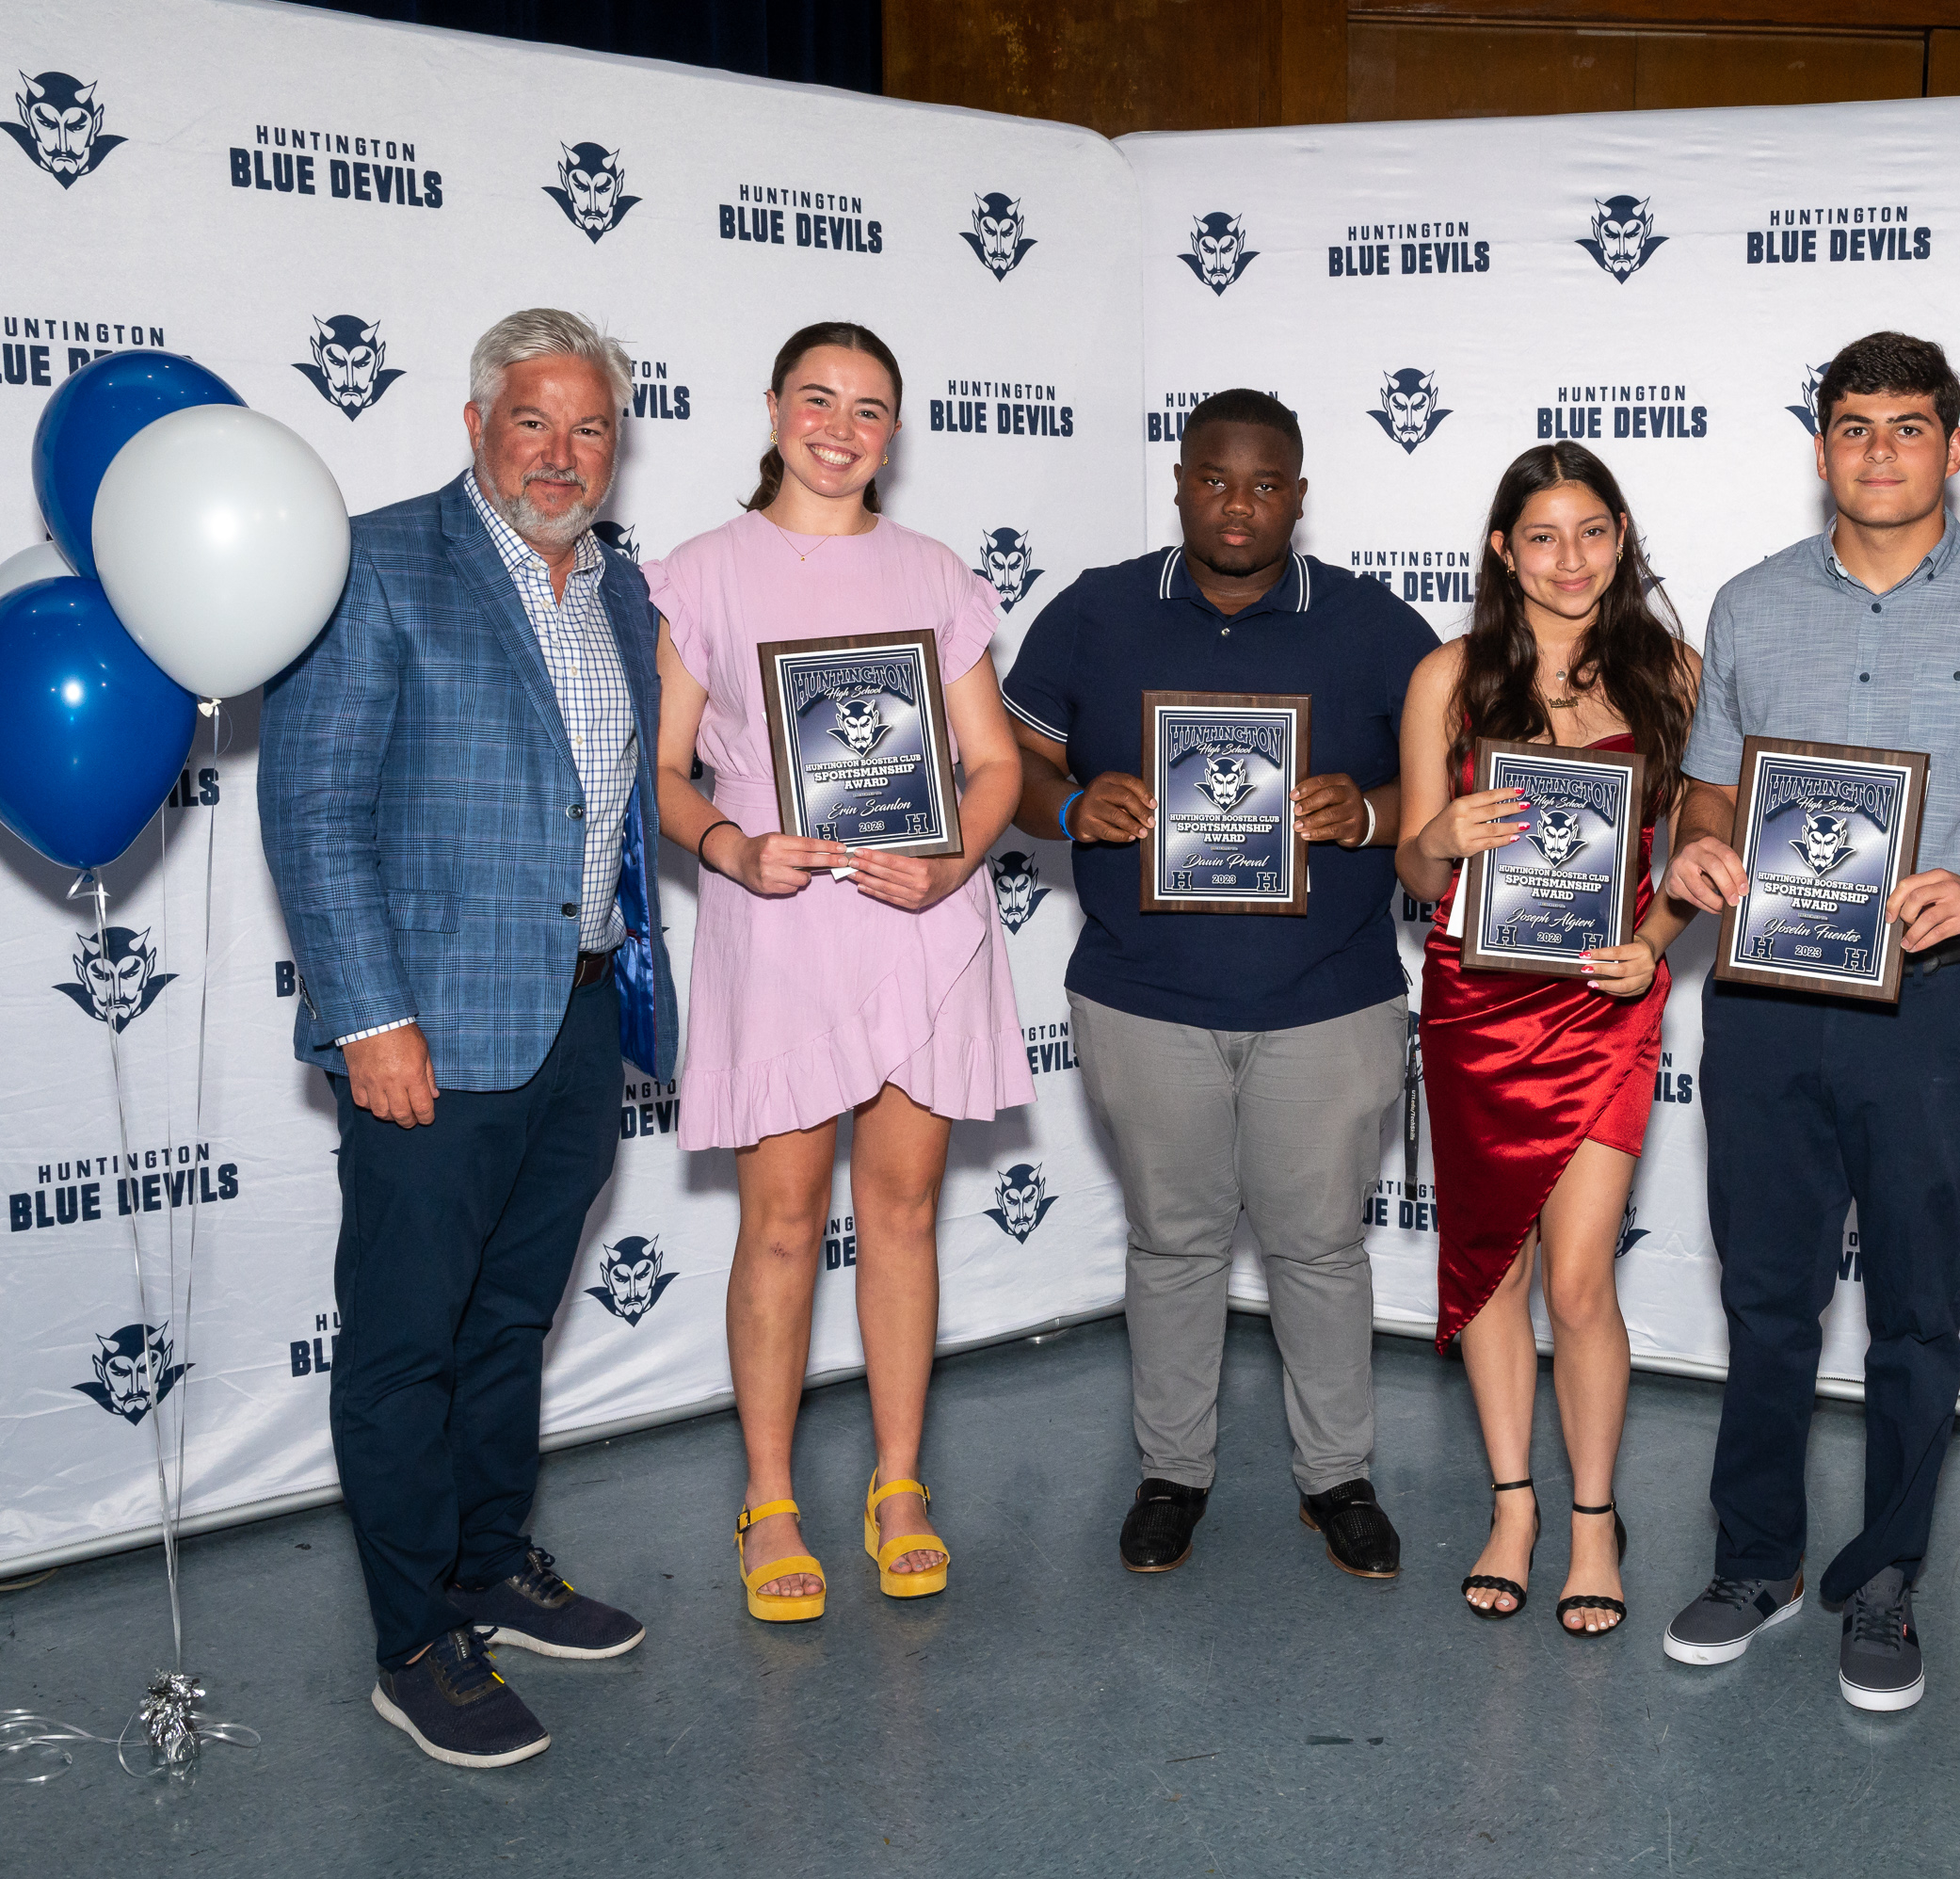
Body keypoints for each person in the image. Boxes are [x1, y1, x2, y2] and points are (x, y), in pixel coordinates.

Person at [1659, 331, 1960, 1712]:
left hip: (1934, 1000)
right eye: (1854, 427)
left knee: (1916, 1304)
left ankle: (1892, 1574)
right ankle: (1756, 1563)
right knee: (1765, 1295)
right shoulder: (1745, 605)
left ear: (1953, 447)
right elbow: (1713, 790)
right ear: (1820, 447)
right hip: (1767, 995)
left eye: (1908, 427)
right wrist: (1696, 847)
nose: (1880, 451)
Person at [261, 308, 679, 1769]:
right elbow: (313, 810)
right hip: (427, 1028)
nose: (562, 455)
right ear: (477, 425)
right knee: (402, 1346)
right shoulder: (380, 565)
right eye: (533, 424)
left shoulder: (621, 596)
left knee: (509, 1323)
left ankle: (491, 1566)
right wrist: (371, 1017)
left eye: (590, 430)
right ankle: (413, 1639)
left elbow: (622, 808)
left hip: (575, 1014)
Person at [1002, 389, 1438, 1580]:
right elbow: (1014, 764)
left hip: (1330, 996)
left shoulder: (1373, 623)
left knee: (1321, 1250)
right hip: (1145, 994)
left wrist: (1375, 808)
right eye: (1214, 478)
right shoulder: (1095, 609)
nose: (1237, 504)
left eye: (1264, 483)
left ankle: (1335, 1475)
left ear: (1299, 493)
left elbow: (1445, 784)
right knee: (1174, 1244)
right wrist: (1072, 804)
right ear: (1181, 480)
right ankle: (1171, 1473)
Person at [646, 321, 1034, 1625]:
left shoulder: (935, 575)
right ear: (770, 408)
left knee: (908, 1214)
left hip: (920, 920)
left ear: (895, 432)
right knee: (780, 1221)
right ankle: (768, 1498)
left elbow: (995, 767)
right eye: (818, 398)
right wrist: (731, 846)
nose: (841, 425)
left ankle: (901, 1484)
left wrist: (951, 865)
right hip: (783, 923)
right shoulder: (700, 576)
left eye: (869, 408)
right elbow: (659, 771)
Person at [1395, 443, 1698, 1636]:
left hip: (1606, 1002)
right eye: (1541, 536)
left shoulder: (1675, 671)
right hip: (1477, 1004)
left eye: (1590, 532)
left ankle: (1591, 1521)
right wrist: (1448, 835)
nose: (1567, 559)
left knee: (1579, 1283)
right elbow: (1414, 861)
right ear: (1500, 550)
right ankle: (1512, 1508)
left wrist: (1660, 939)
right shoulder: (1449, 677)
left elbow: (1702, 852)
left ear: (1621, 537)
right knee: (1491, 1278)